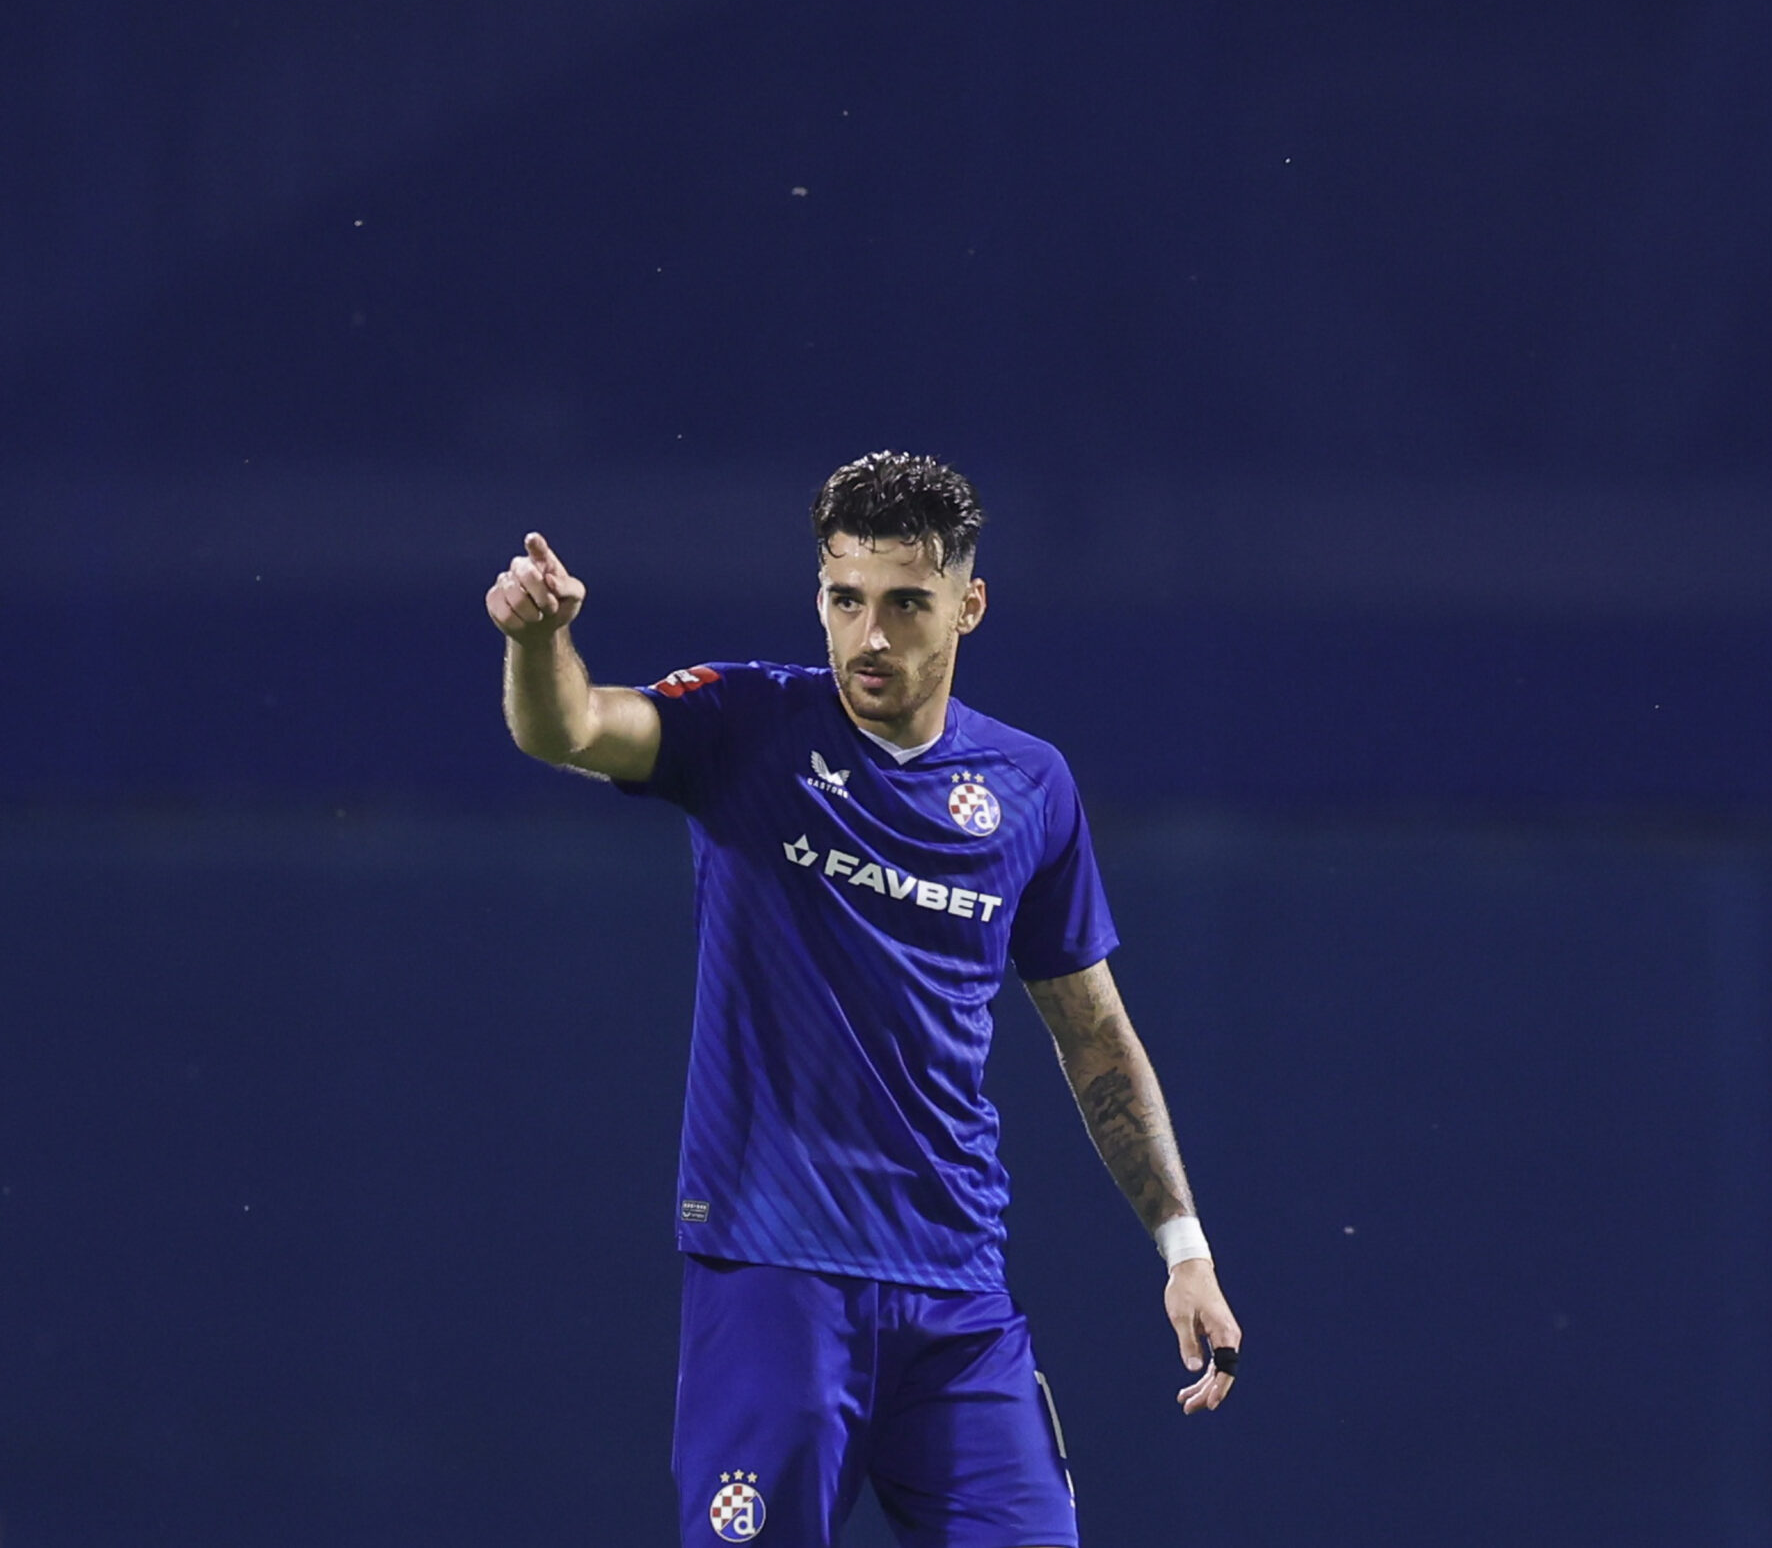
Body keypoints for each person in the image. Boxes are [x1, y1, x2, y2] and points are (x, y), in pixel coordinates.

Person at [483, 452, 1241, 1548]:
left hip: (959, 1298)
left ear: (967, 607)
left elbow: (1097, 1043)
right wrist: (537, 640)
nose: (869, 636)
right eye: (846, 601)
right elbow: (567, 730)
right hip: (776, 1280)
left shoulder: (1032, 788)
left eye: (904, 605)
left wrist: (1185, 1251)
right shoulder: (745, 726)